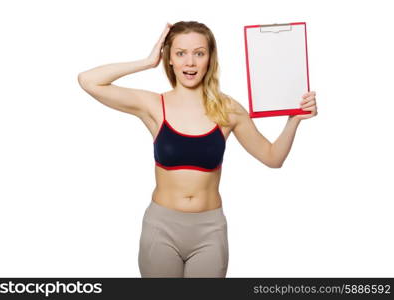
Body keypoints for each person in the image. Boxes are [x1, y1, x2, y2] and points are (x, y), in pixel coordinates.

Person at [77, 21, 317, 278]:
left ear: (210, 59)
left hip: (209, 231)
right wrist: (147, 61)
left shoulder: (228, 109)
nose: (190, 62)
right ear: (168, 58)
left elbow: (273, 157)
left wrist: (294, 119)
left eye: (199, 53)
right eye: (180, 53)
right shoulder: (154, 105)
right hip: (161, 228)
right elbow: (88, 81)